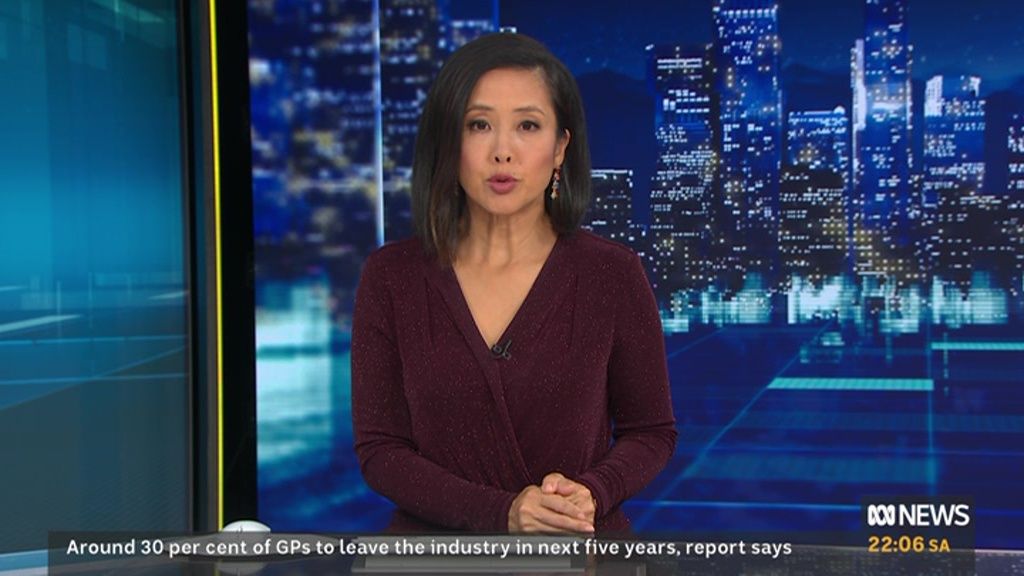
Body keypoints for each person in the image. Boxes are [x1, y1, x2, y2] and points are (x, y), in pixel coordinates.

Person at [351, 33, 676, 534]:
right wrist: (502, 513)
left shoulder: (612, 273)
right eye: (478, 125)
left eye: (528, 125)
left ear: (560, 147)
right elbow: (380, 450)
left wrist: (593, 492)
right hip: (436, 561)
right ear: (448, 142)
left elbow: (651, 432)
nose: (502, 152)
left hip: (577, 554)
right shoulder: (391, 276)